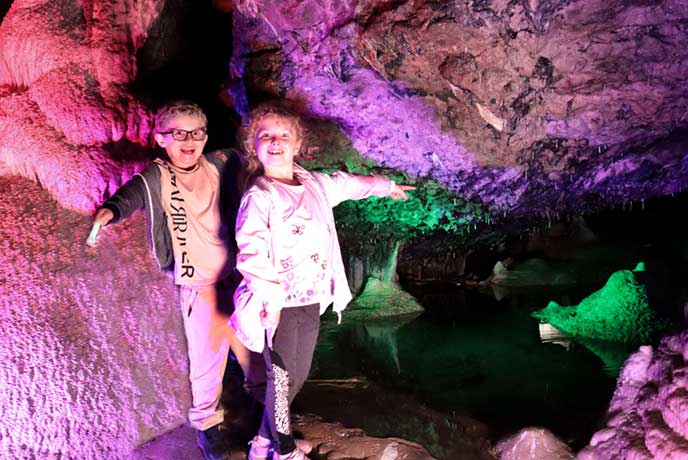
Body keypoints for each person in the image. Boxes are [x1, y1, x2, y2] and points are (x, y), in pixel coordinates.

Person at [230, 102, 415, 460]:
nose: (275, 141)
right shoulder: (260, 195)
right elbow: (251, 253)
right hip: (277, 304)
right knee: (281, 380)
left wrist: (385, 185)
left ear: (297, 145)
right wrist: (268, 301)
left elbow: (345, 184)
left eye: (284, 135)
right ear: (254, 146)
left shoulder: (313, 184)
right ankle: (281, 451)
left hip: (310, 297)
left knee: (295, 377)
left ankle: (264, 442)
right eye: (265, 136)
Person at [92, 100, 250, 460]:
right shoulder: (157, 176)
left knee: (255, 353)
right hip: (199, 284)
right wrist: (112, 211)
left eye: (196, 132)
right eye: (178, 133)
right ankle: (209, 430)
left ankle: (268, 420)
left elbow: (256, 158)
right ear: (161, 138)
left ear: (206, 136)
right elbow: (132, 193)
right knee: (206, 360)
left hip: (239, 277)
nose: (189, 139)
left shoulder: (221, 163)